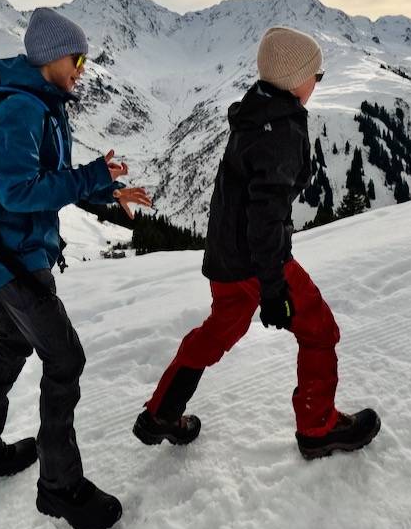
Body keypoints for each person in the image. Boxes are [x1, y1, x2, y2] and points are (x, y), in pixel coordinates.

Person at [132, 26, 380, 459]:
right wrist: (273, 288)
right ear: (296, 80)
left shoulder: (255, 112)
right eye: (316, 75)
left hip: (227, 257)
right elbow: (265, 218)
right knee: (319, 329)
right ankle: (318, 427)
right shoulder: (280, 131)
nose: (317, 83)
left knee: (218, 331)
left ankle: (161, 413)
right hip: (258, 260)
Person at [0, 7, 151, 529]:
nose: (82, 70)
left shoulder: (41, 104)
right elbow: (18, 193)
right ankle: (59, 486)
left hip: (14, 252)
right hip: (14, 257)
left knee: (12, 345)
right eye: (77, 59)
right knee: (65, 358)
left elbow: (52, 179)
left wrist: (105, 188)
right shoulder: (21, 111)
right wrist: (88, 176)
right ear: (50, 56)